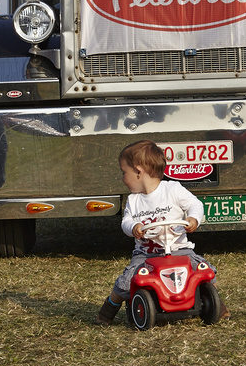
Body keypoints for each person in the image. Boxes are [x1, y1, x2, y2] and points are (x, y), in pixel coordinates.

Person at [95, 139, 227, 326]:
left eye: (124, 173)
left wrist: (193, 218)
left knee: (205, 271)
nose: (123, 178)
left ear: (139, 172)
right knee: (126, 282)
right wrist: (134, 227)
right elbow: (126, 221)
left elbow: (194, 204)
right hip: (147, 254)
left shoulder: (172, 189)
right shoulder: (134, 201)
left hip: (179, 249)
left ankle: (217, 305)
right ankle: (107, 311)